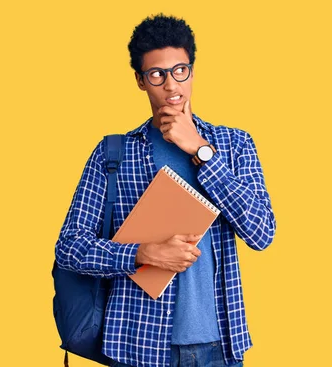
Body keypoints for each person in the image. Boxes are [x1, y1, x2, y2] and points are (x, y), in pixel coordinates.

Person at [54, 13, 276, 367]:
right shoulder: (113, 153)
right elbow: (70, 248)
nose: (171, 85)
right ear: (141, 81)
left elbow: (262, 233)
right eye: (157, 74)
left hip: (219, 344)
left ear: (192, 70)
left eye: (180, 70)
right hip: (135, 346)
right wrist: (141, 254)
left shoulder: (234, 145)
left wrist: (201, 151)